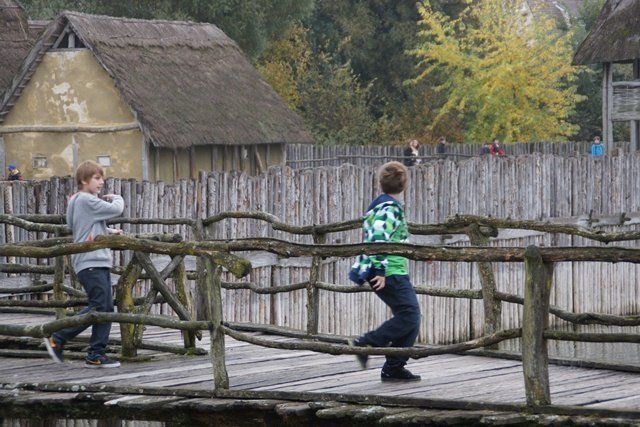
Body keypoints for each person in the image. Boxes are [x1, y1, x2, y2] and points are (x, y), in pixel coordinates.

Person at [44, 160, 124, 368]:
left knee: (104, 307)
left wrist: (108, 232)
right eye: (97, 178)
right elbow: (117, 209)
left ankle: (95, 354)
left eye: (102, 178)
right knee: (100, 307)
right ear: (84, 180)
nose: (101, 182)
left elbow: (79, 226)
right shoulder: (87, 200)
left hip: (90, 261)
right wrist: (117, 197)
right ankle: (58, 338)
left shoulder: (75, 200)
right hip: (92, 261)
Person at [348, 161, 421, 382]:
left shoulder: (382, 206)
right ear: (404, 184)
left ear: (381, 183)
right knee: (410, 315)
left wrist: (420, 254)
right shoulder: (389, 208)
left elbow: (396, 238)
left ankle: (394, 368)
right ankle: (366, 343)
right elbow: (379, 238)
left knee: (410, 317)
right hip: (389, 271)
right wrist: (380, 270)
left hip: (391, 269)